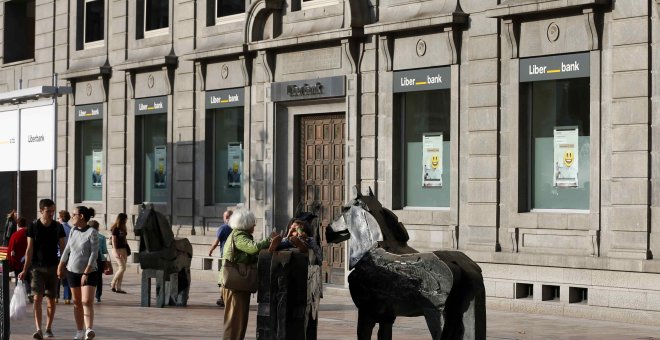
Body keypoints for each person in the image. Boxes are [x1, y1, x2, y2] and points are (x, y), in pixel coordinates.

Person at [221, 209, 276, 340]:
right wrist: (270, 240)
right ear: (246, 224)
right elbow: (254, 248)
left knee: (239, 322)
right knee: (234, 323)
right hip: (234, 286)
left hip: (238, 285)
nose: (254, 226)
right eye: (253, 223)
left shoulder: (240, 235)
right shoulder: (239, 235)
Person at [18, 199, 66, 340]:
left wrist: (62, 266)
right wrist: (24, 269)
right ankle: (38, 329)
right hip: (37, 268)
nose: (51, 214)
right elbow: (29, 249)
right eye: (48, 211)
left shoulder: (58, 227)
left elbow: (63, 247)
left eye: (53, 211)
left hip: (53, 267)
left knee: (51, 299)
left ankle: (48, 328)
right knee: (37, 298)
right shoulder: (33, 227)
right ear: (41, 211)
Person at [58, 206, 99, 340]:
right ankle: (79, 330)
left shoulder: (92, 232)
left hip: (89, 272)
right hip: (72, 271)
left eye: (73, 214)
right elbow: (67, 248)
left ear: (81, 216)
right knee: (77, 303)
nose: (71, 217)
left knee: (86, 301)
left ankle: (89, 329)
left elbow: (94, 253)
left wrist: (86, 272)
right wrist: (61, 265)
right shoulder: (73, 230)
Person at [208, 209, 233, 307]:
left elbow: (216, 242)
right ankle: (227, 297)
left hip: (225, 256)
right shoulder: (236, 228)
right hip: (235, 256)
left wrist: (210, 250)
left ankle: (223, 298)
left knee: (223, 278)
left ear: (226, 217)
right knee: (231, 276)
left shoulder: (223, 228)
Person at [7, 217, 31, 299]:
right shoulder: (29, 233)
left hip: (17, 260)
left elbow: (11, 248)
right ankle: (29, 292)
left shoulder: (15, 235)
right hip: (27, 259)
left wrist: (10, 260)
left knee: (18, 277)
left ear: (18, 224)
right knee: (27, 277)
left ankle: (18, 293)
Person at [88, 220, 108, 303]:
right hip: (100, 259)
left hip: (89, 259)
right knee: (99, 278)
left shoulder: (87, 235)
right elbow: (104, 250)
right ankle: (98, 296)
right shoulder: (102, 237)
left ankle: (88, 294)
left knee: (88, 276)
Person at [110, 213, 129, 294]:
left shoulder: (123, 228)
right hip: (117, 249)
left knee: (122, 269)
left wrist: (127, 250)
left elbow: (124, 239)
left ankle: (119, 288)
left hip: (124, 249)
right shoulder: (115, 228)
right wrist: (116, 250)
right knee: (122, 268)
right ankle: (113, 283)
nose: (127, 220)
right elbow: (113, 240)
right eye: (126, 219)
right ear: (122, 219)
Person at [57, 210, 73, 304]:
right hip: (68, 255)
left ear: (61, 218)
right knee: (66, 276)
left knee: (57, 276)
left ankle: (55, 296)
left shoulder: (59, 227)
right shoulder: (70, 228)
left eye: (59, 217)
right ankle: (67, 297)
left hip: (58, 254)